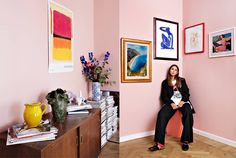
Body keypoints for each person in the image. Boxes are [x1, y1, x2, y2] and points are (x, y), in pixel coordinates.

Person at [148, 64, 195, 152]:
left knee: (188, 112)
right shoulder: (165, 82)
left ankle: (185, 141)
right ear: (169, 71)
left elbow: (186, 93)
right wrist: (171, 103)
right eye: (172, 69)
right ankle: (159, 144)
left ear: (177, 72)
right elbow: (164, 96)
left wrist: (183, 101)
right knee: (161, 114)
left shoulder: (182, 80)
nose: (174, 71)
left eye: (175, 70)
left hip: (182, 102)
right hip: (171, 103)